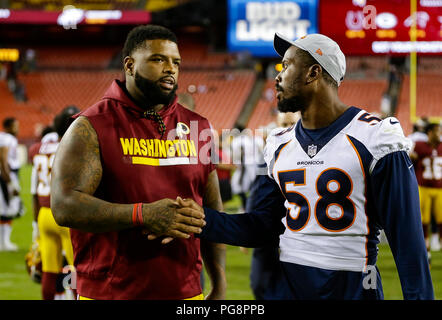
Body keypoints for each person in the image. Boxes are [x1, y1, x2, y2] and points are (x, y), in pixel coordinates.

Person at [175, 33, 434, 299]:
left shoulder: (376, 137)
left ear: (313, 73)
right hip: (289, 285)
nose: (277, 76)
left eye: (286, 66)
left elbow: (408, 243)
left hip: (352, 286)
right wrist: (199, 220)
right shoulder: (277, 144)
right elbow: (261, 226)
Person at [50, 24, 226, 300]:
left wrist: (219, 283)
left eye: (176, 62)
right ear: (130, 65)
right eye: (158, 59)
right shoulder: (91, 126)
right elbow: (64, 206)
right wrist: (142, 214)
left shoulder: (197, 126)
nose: (170, 68)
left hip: (186, 292)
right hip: (110, 293)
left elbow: (213, 210)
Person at [29, 107, 79, 300]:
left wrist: (35, 225)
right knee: (76, 269)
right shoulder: (74, 146)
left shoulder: (38, 149)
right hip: (65, 214)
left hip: (44, 214)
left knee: (49, 270)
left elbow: (34, 190)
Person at [249, 112, 299, 300]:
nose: (288, 127)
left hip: (297, 235)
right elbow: (257, 192)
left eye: (292, 123)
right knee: (260, 284)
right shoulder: (271, 151)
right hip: (269, 231)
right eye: (284, 123)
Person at [410, 123, 442, 258]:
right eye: (436, 131)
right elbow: (409, 157)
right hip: (423, 187)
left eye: (439, 131)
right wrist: (412, 156)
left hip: (439, 188)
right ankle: (426, 251)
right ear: (429, 132)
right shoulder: (418, 145)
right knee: (424, 221)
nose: (438, 133)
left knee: (441, 220)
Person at [0, 117, 23, 251]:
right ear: (8, 127)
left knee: (6, 209)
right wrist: (10, 182)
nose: (17, 128)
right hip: (7, 176)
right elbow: (3, 160)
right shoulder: (7, 138)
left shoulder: (6, 138)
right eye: (15, 126)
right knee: (8, 209)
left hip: (8, 175)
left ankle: (4, 242)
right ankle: (4, 242)